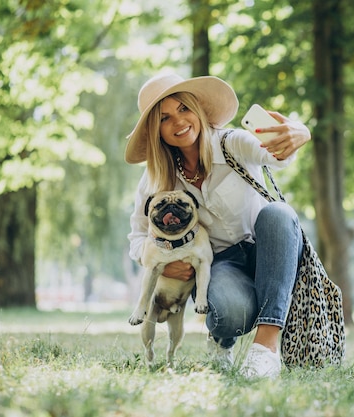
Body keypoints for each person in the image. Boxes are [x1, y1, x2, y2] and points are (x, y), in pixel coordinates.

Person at [125, 73, 311, 378]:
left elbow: (277, 155)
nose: (178, 122)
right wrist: (163, 261)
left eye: (183, 109)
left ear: (197, 109)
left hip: (271, 248)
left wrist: (299, 131)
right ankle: (222, 341)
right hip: (221, 262)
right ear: (156, 130)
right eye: (164, 118)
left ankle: (265, 350)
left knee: (279, 213)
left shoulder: (232, 142)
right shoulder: (157, 178)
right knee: (228, 314)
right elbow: (138, 236)